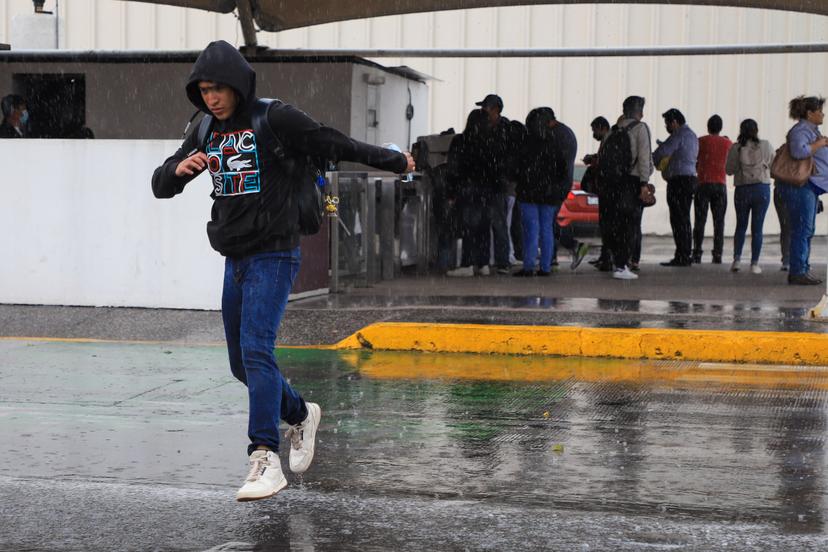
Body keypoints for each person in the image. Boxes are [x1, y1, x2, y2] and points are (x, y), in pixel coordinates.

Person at [151, 41, 414, 501]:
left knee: (256, 348)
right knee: (242, 365)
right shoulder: (205, 128)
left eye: (219, 89)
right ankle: (301, 413)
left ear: (238, 85)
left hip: (274, 254)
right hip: (235, 259)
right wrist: (178, 170)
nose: (212, 97)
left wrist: (393, 160)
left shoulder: (274, 118)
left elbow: (335, 142)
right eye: (204, 90)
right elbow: (160, 185)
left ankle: (264, 456)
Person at [598, 96, 654, 280]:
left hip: (612, 184)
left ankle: (616, 261)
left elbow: (602, 158)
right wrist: (644, 184)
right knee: (630, 226)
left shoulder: (613, 130)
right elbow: (645, 158)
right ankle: (622, 266)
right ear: (640, 111)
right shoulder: (640, 128)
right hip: (632, 182)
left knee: (615, 224)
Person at [778, 95, 828, 285]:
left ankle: (803, 268)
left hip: (810, 187)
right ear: (810, 113)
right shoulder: (800, 131)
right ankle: (798, 271)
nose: (823, 114)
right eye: (820, 111)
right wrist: (820, 144)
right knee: (802, 228)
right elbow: (799, 151)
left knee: (807, 229)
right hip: (801, 185)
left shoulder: (813, 131)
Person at [513, 107, 568, 277]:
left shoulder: (524, 143)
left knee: (531, 230)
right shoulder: (555, 144)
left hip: (528, 193)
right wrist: (555, 187)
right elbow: (562, 171)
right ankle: (545, 267)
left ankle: (528, 266)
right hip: (549, 195)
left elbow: (516, 169)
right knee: (546, 230)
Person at [446, 109, 497, 277]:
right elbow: (496, 168)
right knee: (484, 227)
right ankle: (483, 264)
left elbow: (453, 168)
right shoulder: (491, 142)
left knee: (468, 228)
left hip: (467, 189)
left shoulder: (460, 141)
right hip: (488, 190)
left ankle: (467, 263)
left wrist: (451, 191)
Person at [476, 94, 523, 274]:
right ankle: (490, 260)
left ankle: (502, 261)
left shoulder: (506, 130)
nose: (483, 111)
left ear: (495, 109)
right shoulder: (485, 129)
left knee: (499, 223)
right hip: (488, 183)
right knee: (488, 223)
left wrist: (505, 176)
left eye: (486, 107)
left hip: (499, 184)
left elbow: (509, 157)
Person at [724, 119, 774, 274]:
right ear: (756, 130)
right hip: (761, 190)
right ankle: (754, 264)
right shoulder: (765, 145)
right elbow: (774, 166)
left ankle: (737, 260)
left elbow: (729, 170)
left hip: (742, 190)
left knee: (741, 225)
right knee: (757, 228)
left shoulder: (736, 148)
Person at [653, 108, 699, 267]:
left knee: (678, 218)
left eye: (667, 123)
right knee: (684, 218)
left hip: (679, 181)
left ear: (674, 122)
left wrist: (655, 154)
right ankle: (686, 253)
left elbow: (662, 152)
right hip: (690, 179)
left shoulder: (678, 135)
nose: (666, 127)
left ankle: (682, 255)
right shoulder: (692, 135)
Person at [693, 115, 732, 264]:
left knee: (699, 221)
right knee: (719, 222)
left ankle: (697, 252)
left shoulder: (700, 141)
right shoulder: (728, 143)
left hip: (702, 184)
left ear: (708, 126)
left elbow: (694, 160)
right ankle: (718, 254)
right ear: (720, 127)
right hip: (720, 185)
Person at [583, 116, 612, 270]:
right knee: (605, 224)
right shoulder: (606, 141)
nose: (594, 133)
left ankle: (607, 258)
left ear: (602, 128)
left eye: (594, 130)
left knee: (607, 225)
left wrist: (593, 160)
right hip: (605, 189)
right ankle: (604, 256)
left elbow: (605, 160)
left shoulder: (610, 140)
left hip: (608, 188)